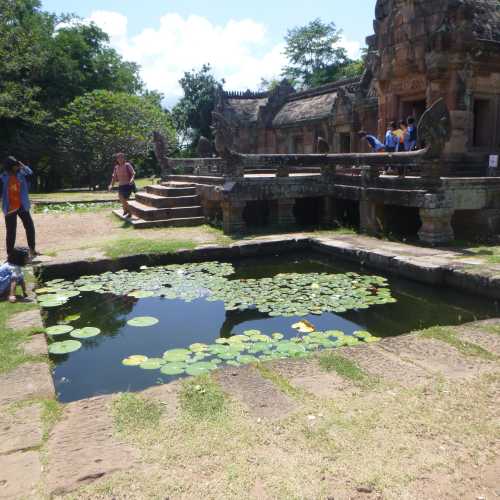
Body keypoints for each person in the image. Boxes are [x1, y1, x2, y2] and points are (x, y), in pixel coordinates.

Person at [0, 157, 37, 258]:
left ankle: (32, 249)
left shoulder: (22, 174)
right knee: (11, 231)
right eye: (16, 165)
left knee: (29, 227)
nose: (18, 166)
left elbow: (31, 173)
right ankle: (10, 254)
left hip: (22, 205)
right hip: (10, 207)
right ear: (10, 167)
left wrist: (22, 165)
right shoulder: (2, 177)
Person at [108, 153, 136, 218]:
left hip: (128, 185)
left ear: (124, 158)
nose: (120, 159)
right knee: (122, 199)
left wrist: (132, 179)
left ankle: (127, 211)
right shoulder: (116, 167)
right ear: (117, 159)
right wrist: (111, 185)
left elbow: (133, 173)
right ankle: (127, 211)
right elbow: (114, 177)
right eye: (118, 158)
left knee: (124, 200)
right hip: (121, 185)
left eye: (121, 157)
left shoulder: (127, 165)